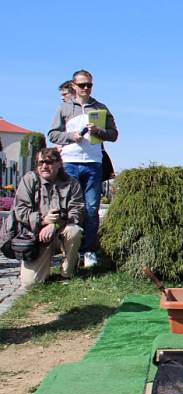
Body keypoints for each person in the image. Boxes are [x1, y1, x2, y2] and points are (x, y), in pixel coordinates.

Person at [48, 69, 117, 268]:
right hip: (70, 162)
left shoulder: (101, 108)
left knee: (92, 208)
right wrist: (71, 137)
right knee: (69, 208)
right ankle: (69, 252)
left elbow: (114, 134)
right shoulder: (64, 108)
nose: (86, 88)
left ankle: (89, 250)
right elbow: (52, 134)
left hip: (93, 163)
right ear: (74, 86)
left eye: (89, 85)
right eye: (82, 85)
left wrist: (100, 132)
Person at [14, 148, 84, 288]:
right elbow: (20, 211)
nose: (44, 166)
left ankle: (67, 273)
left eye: (49, 162)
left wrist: (55, 225)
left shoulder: (72, 183)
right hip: (37, 237)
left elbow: (77, 212)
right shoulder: (29, 180)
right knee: (31, 284)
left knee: (74, 231)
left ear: (59, 163)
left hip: (60, 234)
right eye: (40, 163)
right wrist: (43, 220)